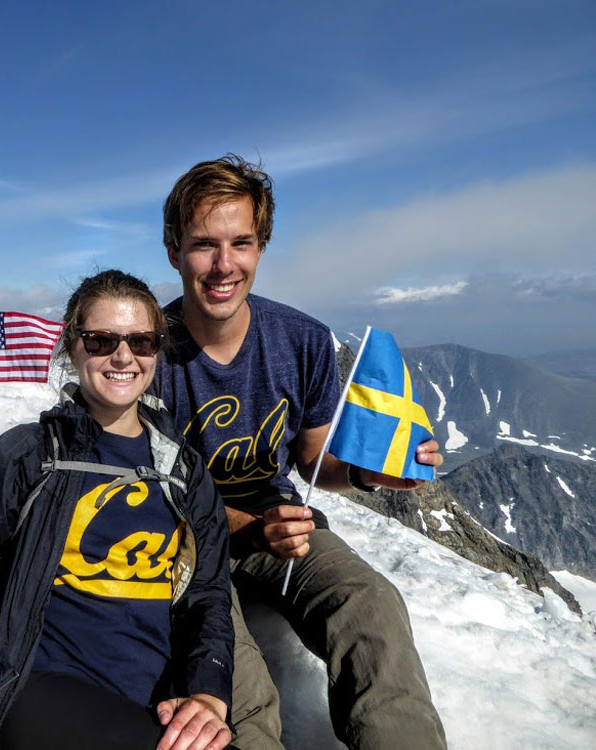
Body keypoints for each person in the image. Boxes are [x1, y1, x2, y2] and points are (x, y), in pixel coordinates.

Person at [153, 155, 448, 750]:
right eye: (203, 245)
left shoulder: (302, 340)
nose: (224, 265)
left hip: (283, 533)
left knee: (371, 607)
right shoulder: (147, 354)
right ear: (173, 250)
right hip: (181, 549)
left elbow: (313, 461)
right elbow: (148, 498)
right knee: (239, 684)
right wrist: (254, 528)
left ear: (262, 247)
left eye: (242, 242)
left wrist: (365, 471)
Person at [0, 270, 236, 750]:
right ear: (72, 347)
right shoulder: (29, 452)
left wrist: (207, 691)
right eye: (101, 340)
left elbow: (206, 594)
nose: (123, 356)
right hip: (37, 683)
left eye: (142, 341)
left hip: (154, 698)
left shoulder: (186, 470)